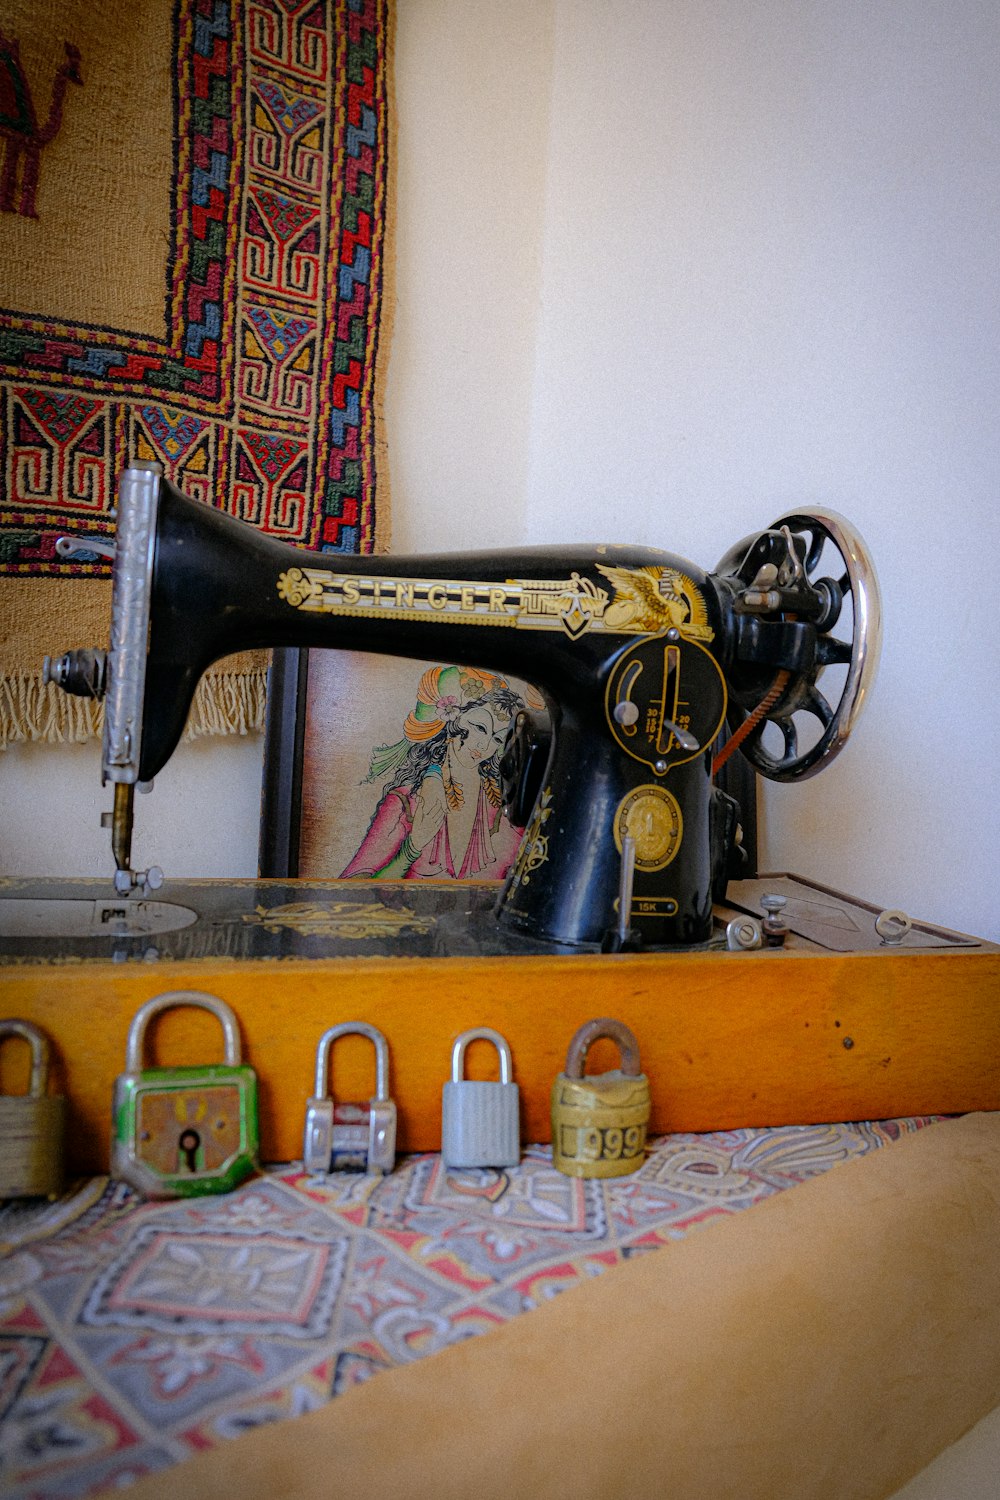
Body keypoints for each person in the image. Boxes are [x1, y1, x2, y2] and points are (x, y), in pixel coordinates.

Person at [341, 665, 526, 880]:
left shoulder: (507, 813)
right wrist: (411, 848)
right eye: (479, 727)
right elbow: (353, 886)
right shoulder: (406, 803)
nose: (484, 745)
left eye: (497, 739)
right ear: (452, 720)